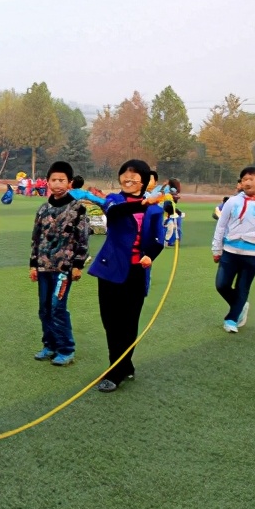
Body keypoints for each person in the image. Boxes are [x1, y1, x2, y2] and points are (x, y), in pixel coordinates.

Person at [89, 159, 165, 393]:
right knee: (111, 323)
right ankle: (124, 365)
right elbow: (114, 213)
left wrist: (150, 255)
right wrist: (143, 203)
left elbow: (158, 240)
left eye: (134, 176)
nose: (128, 179)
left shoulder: (155, 209)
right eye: (125, 174)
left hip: (136, 273)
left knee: (129, 323)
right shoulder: (114, 200)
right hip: (110, 270)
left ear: (145, 181)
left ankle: (117, 371)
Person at [29, 161, 90, 366]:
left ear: (70, 183)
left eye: (61, 180)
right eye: (53, 180)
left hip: (64, 269)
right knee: (44, 308)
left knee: (57, 307)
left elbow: (83, 239)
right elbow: (36, 238)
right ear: (47, 182)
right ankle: (50, 345)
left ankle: (66, 349)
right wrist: (33, 265)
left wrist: (78, 265)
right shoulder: (43, 209)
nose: (57, 184)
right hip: (43, 267)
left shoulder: (78, 209)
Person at [212, 166, 255, 333]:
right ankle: (240, 305)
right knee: (221, 285)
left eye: (251, 179)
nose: (247, 182)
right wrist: (216, 249)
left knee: (243, 287)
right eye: (244, 179)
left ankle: (231, 319)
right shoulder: (233, 202)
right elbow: (221, 225)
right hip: (230, 252)